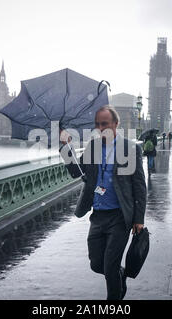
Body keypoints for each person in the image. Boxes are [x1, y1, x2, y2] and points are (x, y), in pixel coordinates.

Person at [59, 105, 147, 300]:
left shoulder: (130, 148)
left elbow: (140, 185)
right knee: (96, 264)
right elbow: (77, 172)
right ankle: (120, 274)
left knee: (110, 266)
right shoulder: (93, 147)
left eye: (105, 124)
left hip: (119, 215)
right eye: (97, 125)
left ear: (116, 124)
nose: (100, 128)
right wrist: (65, 146)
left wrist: (138, 218)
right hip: (98, 215)